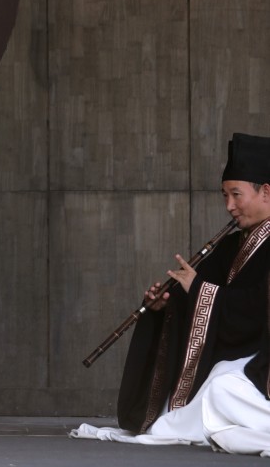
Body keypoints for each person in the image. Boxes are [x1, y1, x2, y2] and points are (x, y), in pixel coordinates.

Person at [71, 132, 270, 448]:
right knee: (181, 408)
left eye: (236, 195)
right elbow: (198, 290)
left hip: (261, 363)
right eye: (224, 196)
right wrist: (167, 302)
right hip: (232, 360)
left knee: (222, 389)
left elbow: (258, 308)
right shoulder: (233, 244)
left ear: (266, 192)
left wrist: (200, 290)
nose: (229, 206)